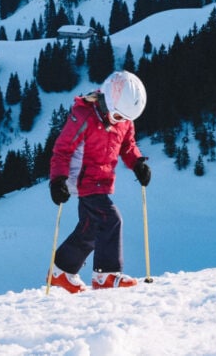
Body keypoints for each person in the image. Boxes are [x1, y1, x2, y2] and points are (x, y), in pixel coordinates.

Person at [48, 70, 152, 293]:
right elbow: (62, 150)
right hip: (82, 178)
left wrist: (137, 163)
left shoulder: (123, 118)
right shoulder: (84, 115)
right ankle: (105, 275)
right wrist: (57, 180)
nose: (120, 122)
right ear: (106, 101)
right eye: (117, 117)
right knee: (110, 219)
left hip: (102, 179)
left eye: (125, 119)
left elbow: (127, 145)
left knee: (91, 227)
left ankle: (61, 272)